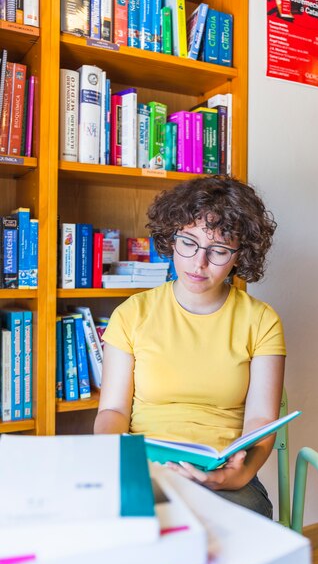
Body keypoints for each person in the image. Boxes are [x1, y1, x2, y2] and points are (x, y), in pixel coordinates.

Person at [94, 175, 286, 518]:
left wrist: (237, 475)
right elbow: (113, 412)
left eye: (219, 250)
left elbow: (261, 418)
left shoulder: (261, 320)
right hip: (146, 465)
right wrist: (119, 462)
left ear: (240, 255)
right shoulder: (131, 314)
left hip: (224, 472)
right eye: (189, 243)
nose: (199, 262)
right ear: (171, 238)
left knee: (237, 531)